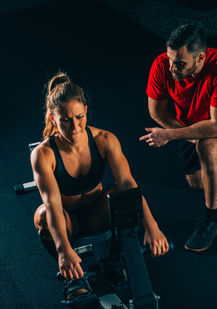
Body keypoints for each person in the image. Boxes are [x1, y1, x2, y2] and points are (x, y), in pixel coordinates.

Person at [31, 72, 169, 302]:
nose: (74, 126)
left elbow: (128, 184)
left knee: (122, 196)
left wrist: (152, 226)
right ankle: (74, 279)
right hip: (67, 221)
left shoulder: (105, 140)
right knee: (42, 215)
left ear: (85, 110)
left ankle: (116, 260)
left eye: (79, 116)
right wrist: (63, 250)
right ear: (53, 118)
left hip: (97, 214)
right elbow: (53, 204)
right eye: (65, 119)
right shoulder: (43, 154)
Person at [139, 24, 217, 252]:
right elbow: (156, 111)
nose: (171, 68)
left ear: (200, 59)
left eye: (179, 64)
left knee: (208, 149)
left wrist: (171, 135)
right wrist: (188, 137)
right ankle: (215, 168)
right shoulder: (162, 65)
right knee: (196, 182)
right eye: (170, 59)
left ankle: (212, 219)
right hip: (187, 122)